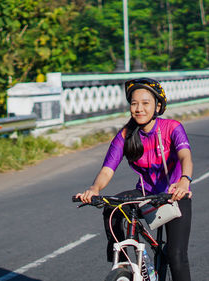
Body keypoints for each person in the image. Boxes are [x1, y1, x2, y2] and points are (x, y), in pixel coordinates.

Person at [76, 78, 193, 281]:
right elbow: (107, 170)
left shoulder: (172, 128)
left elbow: (185, 157)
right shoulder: (125, 135)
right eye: (134, 103)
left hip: (174, 193)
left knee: (176, 256)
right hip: (145, 193)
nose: (139, 108)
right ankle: (125, 263)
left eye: (145, 103)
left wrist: (184, 181)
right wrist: (94, 189)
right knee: (112, 208)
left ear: (157, 106)